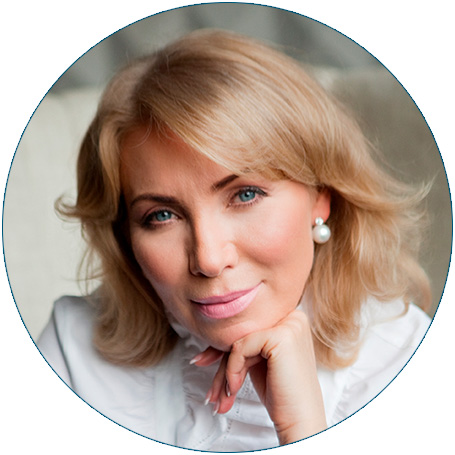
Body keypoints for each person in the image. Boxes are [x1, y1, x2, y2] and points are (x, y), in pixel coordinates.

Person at [37, 29, 432, 451]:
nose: (208, 259)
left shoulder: (410, 360)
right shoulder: (74, 352)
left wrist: (302, 430)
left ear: (321, 198)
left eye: (245, 195)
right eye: (162, 216)